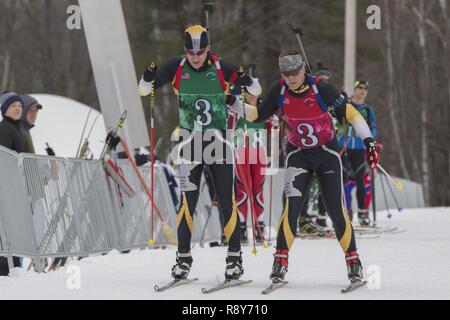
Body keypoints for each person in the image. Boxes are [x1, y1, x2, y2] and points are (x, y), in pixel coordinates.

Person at [228, 50, 379, 285]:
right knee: (291, 210)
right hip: (298, 156)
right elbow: (257, 115)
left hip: (327, 155)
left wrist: (368, 142)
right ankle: (279, 264)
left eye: (295, 73)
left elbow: (350, 113)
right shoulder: (279, 90)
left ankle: (353, 263)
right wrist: (233, 103)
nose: (291, 78)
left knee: (335, 211)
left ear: (303, 70)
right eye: (286, 74)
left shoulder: (320, 88)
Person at [138, 25, 261, 281]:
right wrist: (147, 76)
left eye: (201, 51)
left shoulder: (221, 67)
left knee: (227, 201)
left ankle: (234, 259)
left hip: (218, 143)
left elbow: (256, 93)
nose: (196, 56)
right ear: (185, 50)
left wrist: (248, 81)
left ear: (208, 49)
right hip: (189, 144)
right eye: (191, 52)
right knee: (187, 204)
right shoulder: (176, 66)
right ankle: (183, 259)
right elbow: (143, 91)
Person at [230, 85, 278, 243]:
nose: (251, 95)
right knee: (242, 190)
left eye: (254, 93)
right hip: (242, 153)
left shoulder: (264, 110)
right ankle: (241, 229)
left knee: (258, 191)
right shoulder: (237, 108)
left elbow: (275, 130)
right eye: (248, 93)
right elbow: (228, 125)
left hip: (259, 154)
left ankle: (260, 228)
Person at [337, 80, 377, 225]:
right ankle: (345, 211)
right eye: (359, 87)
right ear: (354, 90)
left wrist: (366, 135)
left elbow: (373, 128)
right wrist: (346, 130)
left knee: (360, 181)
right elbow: (337, 122)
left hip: (359, 149)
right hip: (344, 147)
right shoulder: (346, 105)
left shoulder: (367, 109)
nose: (362, 90)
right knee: (343, 181)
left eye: (365, 88)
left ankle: (362, 213)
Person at [0, 91, 28, 276]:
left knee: (16, 229)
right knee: (8, 230)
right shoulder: (5, 128)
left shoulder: (17, 128)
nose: (18, 108)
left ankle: (15, 266)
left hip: (15, 188)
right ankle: (8, 267)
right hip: (7, 188)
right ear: (4, 110)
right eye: (13, 106)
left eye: (19, 105)